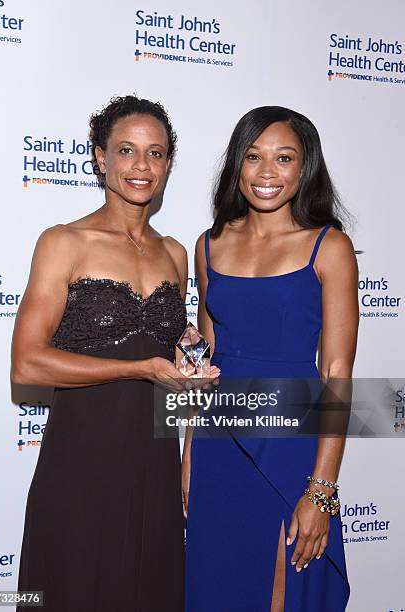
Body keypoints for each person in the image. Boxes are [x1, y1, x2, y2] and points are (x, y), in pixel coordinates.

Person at [11, 95, 219, 612]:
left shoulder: (175, 253)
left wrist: (189, 356)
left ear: (169, 163)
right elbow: (27, 363)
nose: (141, 166)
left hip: (155, 464)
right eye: (127, 151)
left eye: (156, 153)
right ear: (101, 157)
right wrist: (140, 369)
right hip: (81, 464)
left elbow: (167, 347)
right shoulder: (64, 242)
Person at [183, 106, 359, 611]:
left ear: (305, 168)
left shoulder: (329, 247)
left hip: (291, 448)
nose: (266, 173)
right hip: (220, 445)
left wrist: (321, 490)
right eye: (254, 157)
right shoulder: (209, 245)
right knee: (217, 584)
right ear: (236, 164)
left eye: (284, 158)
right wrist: (191, 451)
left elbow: (337, 373)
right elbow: (205, 363)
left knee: (283, 585)